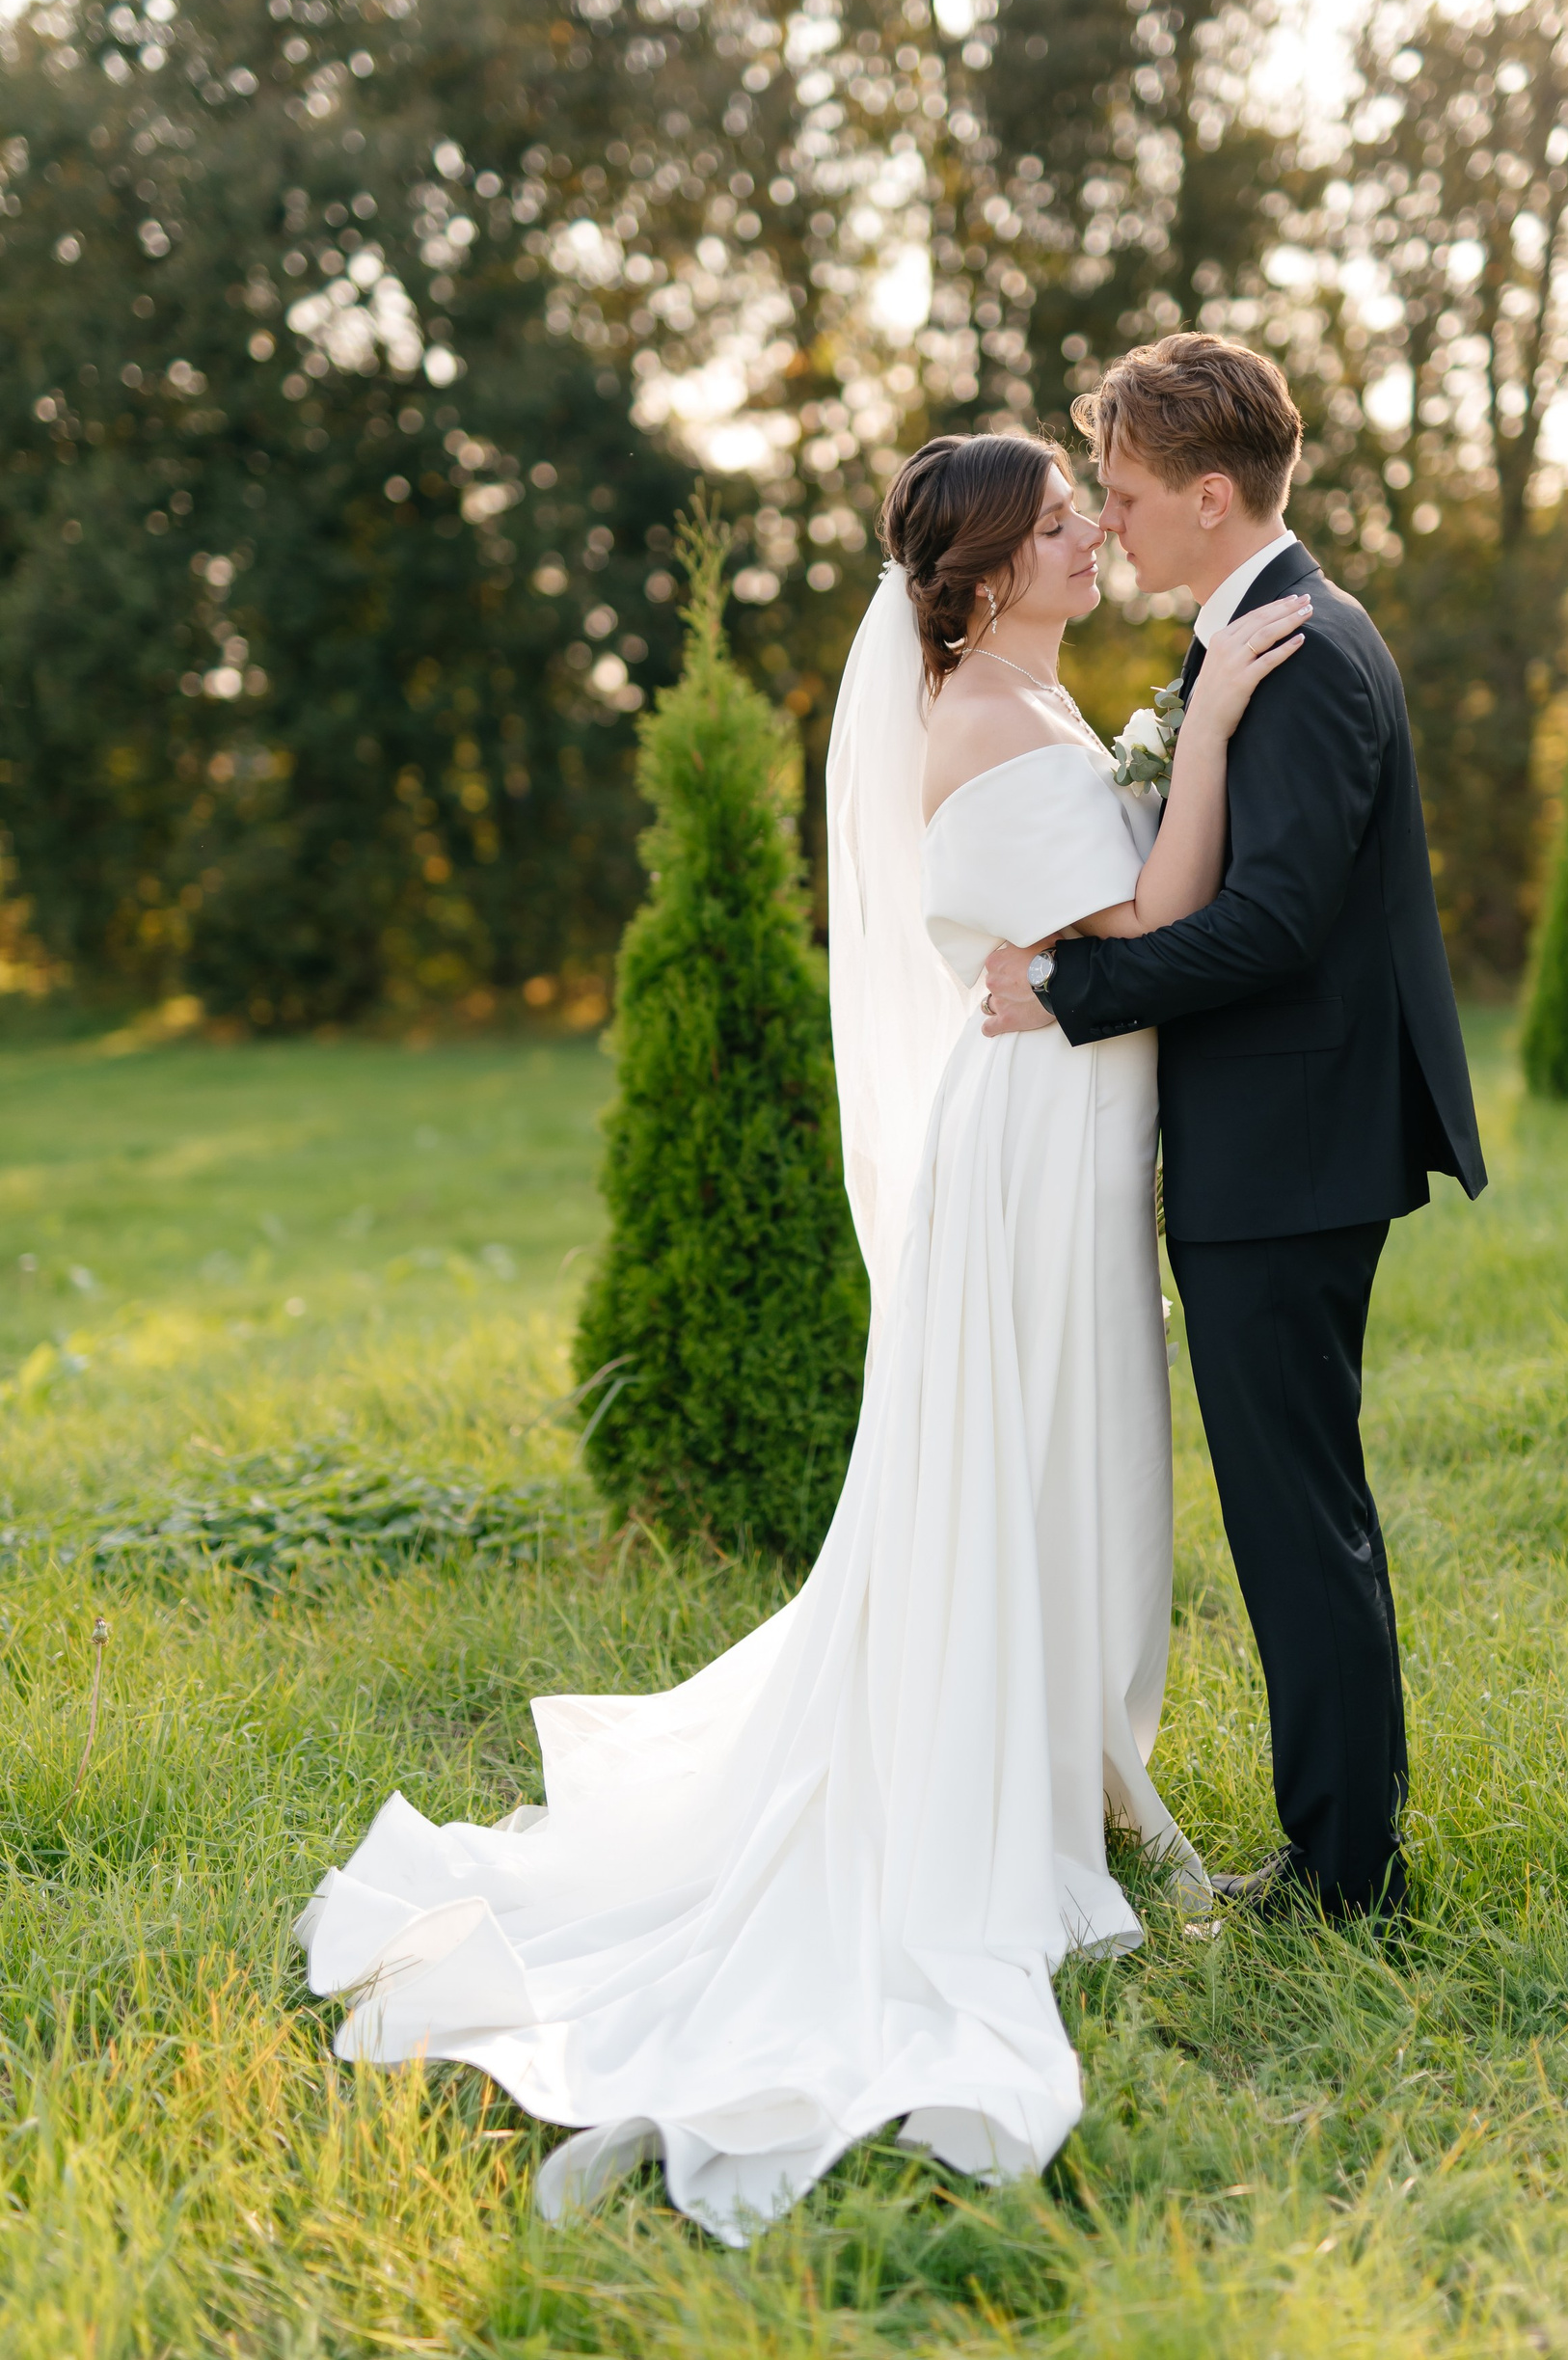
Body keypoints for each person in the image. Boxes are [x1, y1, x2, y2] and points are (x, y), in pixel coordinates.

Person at [296, 431, 1308, 2242]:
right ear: (984, 575)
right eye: (1058, 523)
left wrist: (1176, 733)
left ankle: (1064, 1764)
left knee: (1072, 1461)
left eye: (1087, 510)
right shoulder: (980, 724)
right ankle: (1005, 1789)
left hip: (1077, 1136)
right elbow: (1151, 918)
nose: (1092, 531)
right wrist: (1215, 718)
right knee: (1029, 1460)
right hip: (1031, 1154)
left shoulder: (1035, 703)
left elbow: (1108, 927)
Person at [982, 333, 1486, 1924]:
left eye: (1125, 491)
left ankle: (1347, 1877)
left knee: (1297, 1519)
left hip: (1289, 1153)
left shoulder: (1303, 652)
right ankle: (1343, 1846)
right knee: (1295, 1511)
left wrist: (1068, 988)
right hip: (1281, 1142)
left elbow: (1270, 925)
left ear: (1212, 495)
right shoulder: (1268, 630)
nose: (1109, 519)